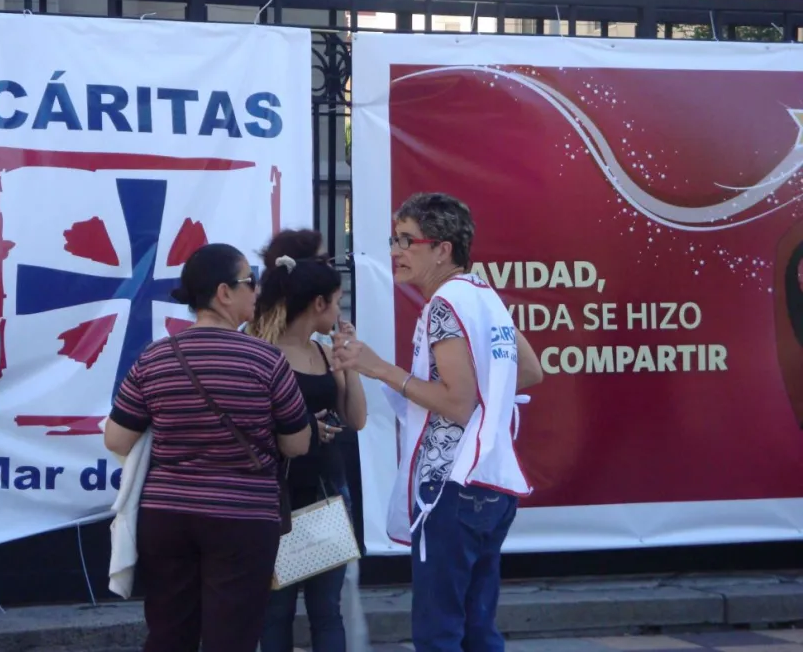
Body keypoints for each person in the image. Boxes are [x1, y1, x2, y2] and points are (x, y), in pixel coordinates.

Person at [332, 193, 544, 652]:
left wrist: (378, 368)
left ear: (442, 248)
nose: (395, 250)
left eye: (407, 240)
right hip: (493, 482)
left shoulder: (445, 305)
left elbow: (458, 402)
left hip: (453, 484)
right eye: (394, 239)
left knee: (439, 631)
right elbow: (528, 370)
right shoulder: (483, 294)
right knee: (476, 627)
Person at [103, 243, 314, 652]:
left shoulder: (154, 359)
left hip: (166, 517)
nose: (257, 292)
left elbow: (117, 438)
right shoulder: (267, 360)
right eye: (250, 283)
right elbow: (298, 443)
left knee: (168, 632)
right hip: (243, 518)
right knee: (231, 637)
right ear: (223, 293)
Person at [248, 229, 368, 652]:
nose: (338, 311)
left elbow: (356, 418)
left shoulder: (321, 351)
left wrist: (348, 363)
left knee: (326, 611)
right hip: (277, 501)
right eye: (336, 302)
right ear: (318, 303)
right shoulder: (260, 350)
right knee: (275, 613)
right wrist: (302, 428)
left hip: (326, 497)